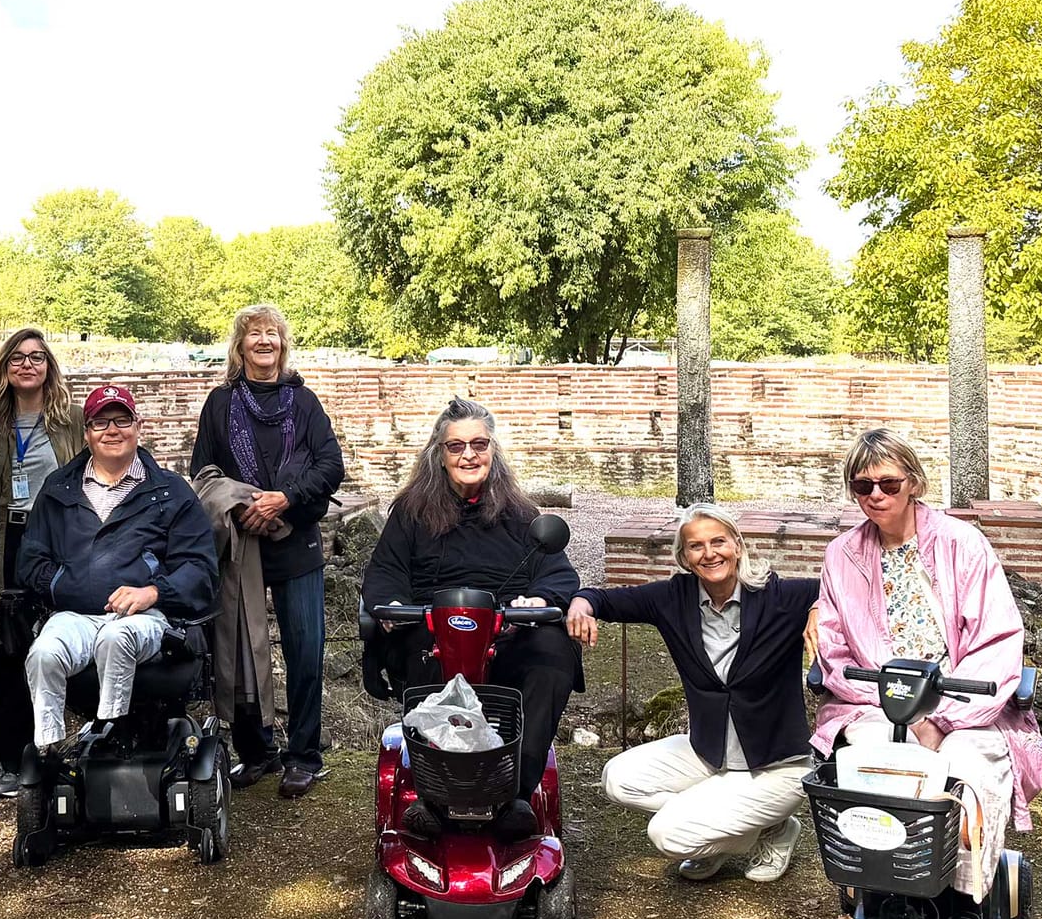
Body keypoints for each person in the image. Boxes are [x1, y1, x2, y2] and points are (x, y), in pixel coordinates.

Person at [812, 428, 1042, 919]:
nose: (876, 495)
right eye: (862, 485)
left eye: (889, 483)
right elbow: (836, 652)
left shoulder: (963, 545)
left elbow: (997, 641)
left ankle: (965, 906)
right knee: (873, 771)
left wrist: (941, 720)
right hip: (877, 701)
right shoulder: (841, 555)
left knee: (964, 777)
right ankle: (896, 904)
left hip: (962, 703)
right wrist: (895, 708)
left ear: (913, 483)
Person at [361, 398, 583, 837]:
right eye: (456, 446)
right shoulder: (410, 511)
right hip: (431, 628)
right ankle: (435, 795)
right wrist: (390, 606)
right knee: (417, 656)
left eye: (479, 444)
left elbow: (558, 573)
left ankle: (516, 795)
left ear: (493, 450)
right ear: (438, 455)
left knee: (553, 652)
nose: (468, 455)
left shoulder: (520, 513)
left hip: (504, 630)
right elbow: (385, 573)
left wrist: (537, 600)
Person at [568, 504, 822, 883]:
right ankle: (739, 829)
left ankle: (770, 827)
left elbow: (840, 590)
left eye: (718, 541)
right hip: (709, 749)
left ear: (737, 545)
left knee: (667, 833)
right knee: (617, 778)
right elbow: (603, 598)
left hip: (776, 764)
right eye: (696, 546)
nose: (709, 553)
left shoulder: (777, 596)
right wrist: (580, 605)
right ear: (684, 557)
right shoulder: (674, 598)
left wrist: (818, 607)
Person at [189, 304, 344, 798]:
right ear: (239, 346)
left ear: (283, 344)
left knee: (304, 651)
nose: (263, 341)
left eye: (272, 334)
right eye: (253, 334)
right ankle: (257, 752)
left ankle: (304, 755)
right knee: (238, 650)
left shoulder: (305, 403)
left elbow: (330, 465)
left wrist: (286, 499)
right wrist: (240, 507)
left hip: (296, 539)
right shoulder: (218, 404)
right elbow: (204, 474)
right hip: (242, 546)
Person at [15, 383, 217, 751]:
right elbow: (30, 562)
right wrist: (65, 585)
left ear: (138, 426)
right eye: (100, 422)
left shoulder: (171, 493)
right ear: (87, 433)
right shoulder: (57, 489)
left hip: (145, 618)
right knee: (43, 653)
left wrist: (153, 592)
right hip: (73, 615)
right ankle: (50, 748)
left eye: (122, 420)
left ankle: (112, 730)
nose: (112, 430)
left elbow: (200, 568)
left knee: (116, 638)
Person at [0, 328, 84, 796]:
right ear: (5, 368)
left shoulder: (71, 419)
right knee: (8, 644)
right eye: (17, 358)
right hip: (2, 542)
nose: (27, 365)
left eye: (36, 357)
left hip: (56, 540)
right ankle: (8, 751)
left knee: (51, 638)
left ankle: (43, 745)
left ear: (49, 366)